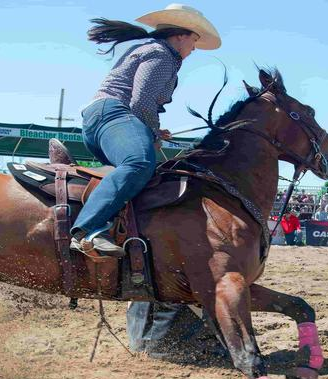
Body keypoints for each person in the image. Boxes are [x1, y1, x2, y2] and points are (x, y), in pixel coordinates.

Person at [69, 5, 221, 257]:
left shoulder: (150, 50)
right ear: (180, 35)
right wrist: (152, 132)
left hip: (103, 118)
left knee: (135, 174)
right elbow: (141, 102)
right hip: (114, 114)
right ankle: (89, 229)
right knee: (139, 162)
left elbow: (140, 102)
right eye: (194, 40)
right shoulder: (162, 54)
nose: (194, 48)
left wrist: (154, 131)